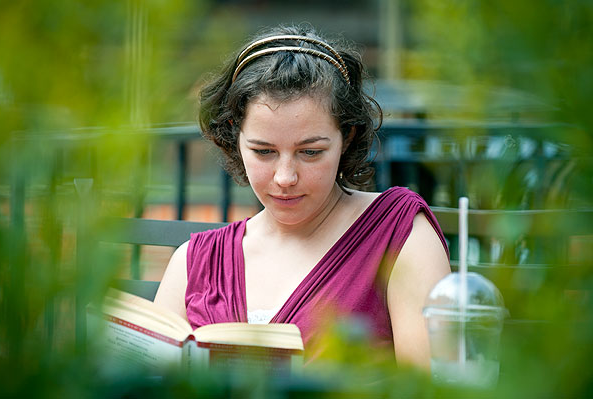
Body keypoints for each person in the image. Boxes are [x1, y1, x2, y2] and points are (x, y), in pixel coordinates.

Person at [154, 24, 450, 370]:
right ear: (235, 138)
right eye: (263, 152)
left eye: (310, 153)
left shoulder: (399, 233)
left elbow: (431, 387)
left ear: (347, 138)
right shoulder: (195, 261)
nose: (285, 178)